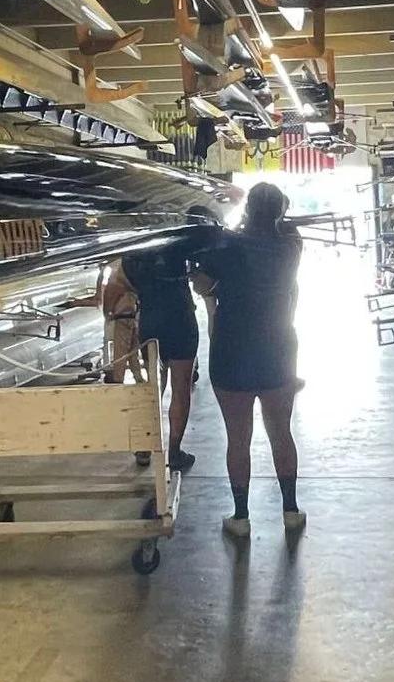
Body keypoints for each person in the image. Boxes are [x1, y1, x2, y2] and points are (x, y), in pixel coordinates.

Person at [197, 182, 305, 538]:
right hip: (277, 349)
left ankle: (241, 516)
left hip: (233, 348)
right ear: (280, 211)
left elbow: (201, 283)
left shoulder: (227, 245)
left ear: (247, 210)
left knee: (238, 437)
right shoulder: (291, 246)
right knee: (281, 432)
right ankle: (290, 510)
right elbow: (284, 230)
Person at [108, 209, 211, 472]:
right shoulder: (180, 245)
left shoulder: (133, 255)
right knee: (181, 386)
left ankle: (144, 447)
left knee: (153, 384)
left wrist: (114, 313)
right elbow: (202, 275)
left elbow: (117, 284)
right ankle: (174, 451)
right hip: (181, 319)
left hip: (151, 321)